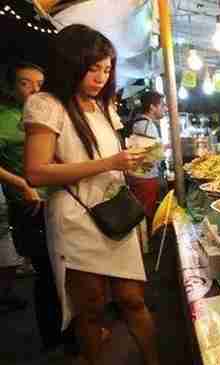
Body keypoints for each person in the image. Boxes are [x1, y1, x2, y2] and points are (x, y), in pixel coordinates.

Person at [23, 24, 159, 365]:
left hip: (115, 212)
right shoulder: (46, 104)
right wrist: (108, 162)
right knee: (91, 308)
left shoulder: (103, 106)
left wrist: (133, 162)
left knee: (133, 300)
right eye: (93, 67)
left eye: (107, 69)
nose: (100, 77)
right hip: (75, 218)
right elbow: (36, 172)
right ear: (70, 63)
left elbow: (112, 159)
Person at [0, 62, 45, 314]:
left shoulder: (46, 113)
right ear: (12, 86)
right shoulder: (5, 118)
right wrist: (22, 185)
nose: (34, 90)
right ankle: (57, 341)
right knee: (46, 270)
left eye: (40, 84)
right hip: (27, 204)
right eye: (26, 83)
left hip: (54, 199)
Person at [129, 91, 165, 231]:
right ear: (152, 107)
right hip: (144, 178)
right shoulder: (145, 125)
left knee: (147, 211)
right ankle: (146, 247)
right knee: (145, 213)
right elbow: (147, 155)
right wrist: (160, 153)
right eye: (162, 105)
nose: (165, 109)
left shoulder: (145, 124)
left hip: (144, 177)